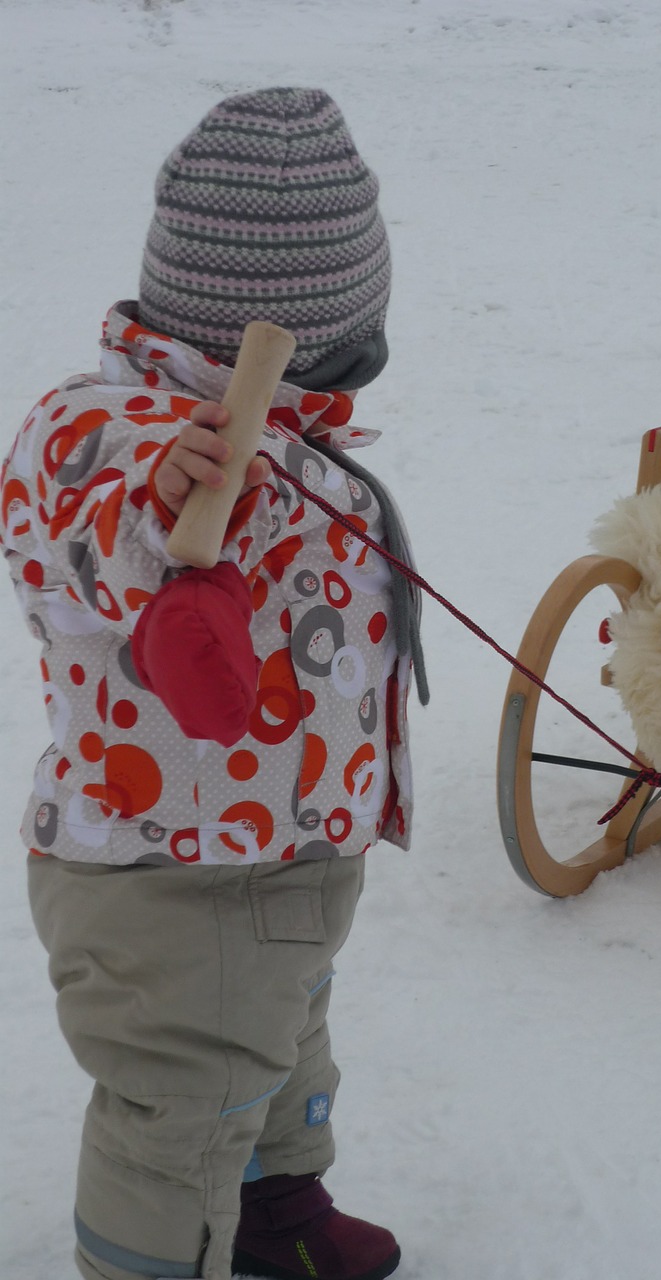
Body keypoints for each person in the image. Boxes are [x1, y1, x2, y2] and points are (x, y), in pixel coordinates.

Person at [0, 87, 427, 1280]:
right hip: (163, 875)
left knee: (286, 1041)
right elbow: (84, 518)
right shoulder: (102, 429)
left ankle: (279, 1206)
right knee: (182, 1103)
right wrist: (159, 496)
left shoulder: (298, 441)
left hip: (285, 844)